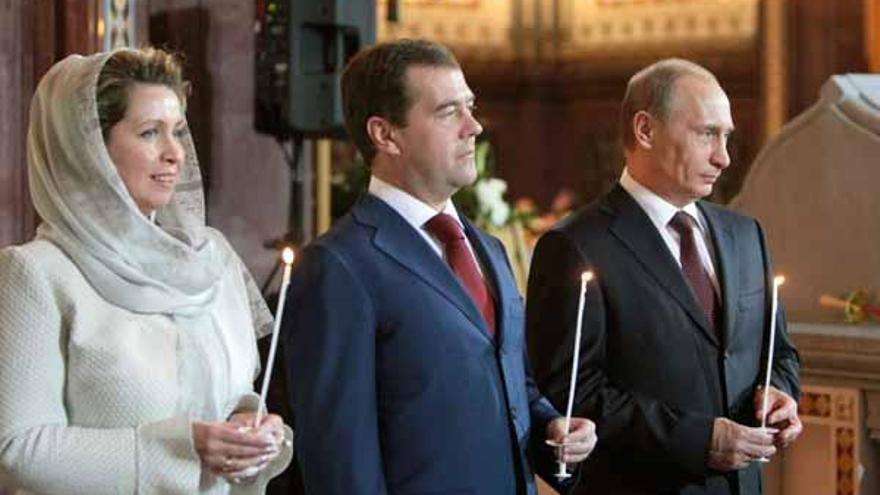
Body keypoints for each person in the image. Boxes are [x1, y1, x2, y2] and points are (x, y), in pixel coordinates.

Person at [282, 39, 597, 494]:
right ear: (385, 134)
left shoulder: (487, 246)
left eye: (470, 107)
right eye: (449, 112)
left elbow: (512, 383)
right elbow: (340, 460)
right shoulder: (338, 266)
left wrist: (553, 431)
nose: (474, 126)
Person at [0, 48, 292, 494]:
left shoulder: (213, 260)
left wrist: (248, 430)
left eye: (177, 131)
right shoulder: (37, 274)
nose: (175, 153)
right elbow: (19, 450)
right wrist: (183, 448)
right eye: (150, 133)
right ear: (90, 151)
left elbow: (227, 401)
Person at [525, 58, 802, 494]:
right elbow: (570, 395)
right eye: (706, 133)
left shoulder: (746, 235)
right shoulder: (575, 245)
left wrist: (780, 395)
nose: (723, 157)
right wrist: (698, 440)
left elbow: (779, 353)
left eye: (726, 136)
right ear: (645, 130)